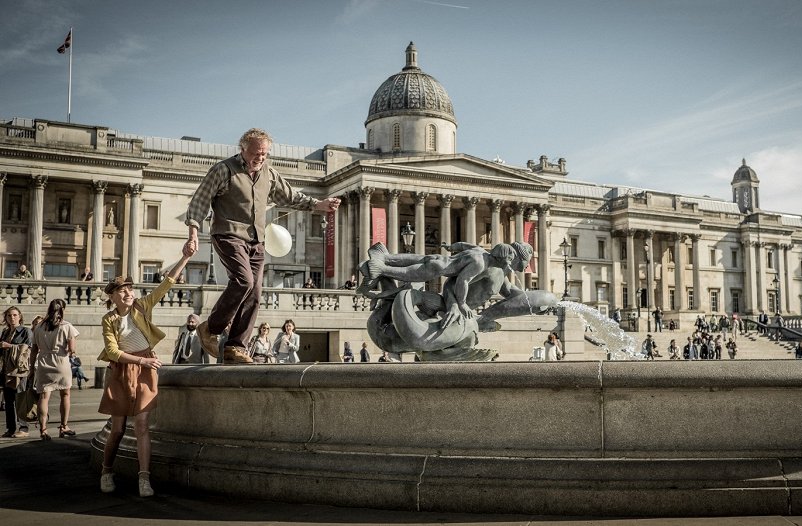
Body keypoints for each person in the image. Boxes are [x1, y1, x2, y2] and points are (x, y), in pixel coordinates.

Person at [184, 128, 340, 365]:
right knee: (244, 281)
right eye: (256, 153)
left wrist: (319, 204)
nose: (260, 158)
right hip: (228, 234)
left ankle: (235, 347)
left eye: (265, 154)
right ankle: (210, 327)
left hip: (257, 241)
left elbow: (290, 197)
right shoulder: (223, 170)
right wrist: (193, 233)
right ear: (243, 149)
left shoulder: (269, 173)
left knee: (256, 292)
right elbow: (200, 202)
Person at [97, 251, 190, 497]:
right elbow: (112, 351)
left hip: (146, 368)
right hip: (121, 371)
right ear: (113, 297)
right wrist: (142, 361)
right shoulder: (109, 319)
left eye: (130, 289)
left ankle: (144, 478)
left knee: (141, 425)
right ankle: (106, 471)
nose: (128, 293)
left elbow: (166, 284)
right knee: (117, 429)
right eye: (122, 291)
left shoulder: (143, 306)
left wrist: (185, 258)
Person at [363, 242, 517, 329]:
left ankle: (384, 257)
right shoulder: (480, 264)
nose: (509, 264)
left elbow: (464, 245)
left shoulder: (481, 251)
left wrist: (450, 247)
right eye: (509, 259)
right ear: (501, 257)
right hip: (438, 269)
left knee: (414, 259)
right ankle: (380, 269)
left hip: (439, 259)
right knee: (407, 273)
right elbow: (462, 281)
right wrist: (462, 303)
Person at [31, 299, 79, 441]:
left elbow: (34, 350)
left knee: (44, 397)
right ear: (63, 309)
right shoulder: (67, 326)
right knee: (65, 395)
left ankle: (43, 430)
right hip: (60, 361)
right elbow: (72, 349)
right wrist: (72, 352)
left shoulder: (39, 326)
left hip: (43, 362)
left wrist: (31, 368)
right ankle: (64, 426)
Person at [1, 306, 32, 438]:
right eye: (9, 315)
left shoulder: (26, 331)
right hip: (6, 370)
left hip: (20, 371)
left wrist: (10, 346)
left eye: (14, 315)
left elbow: (28, 350)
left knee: (20, 398)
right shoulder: (5, 332)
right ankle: (11, 428)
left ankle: (23, 427)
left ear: (20, 316)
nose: (12, 318)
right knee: (8, 401)